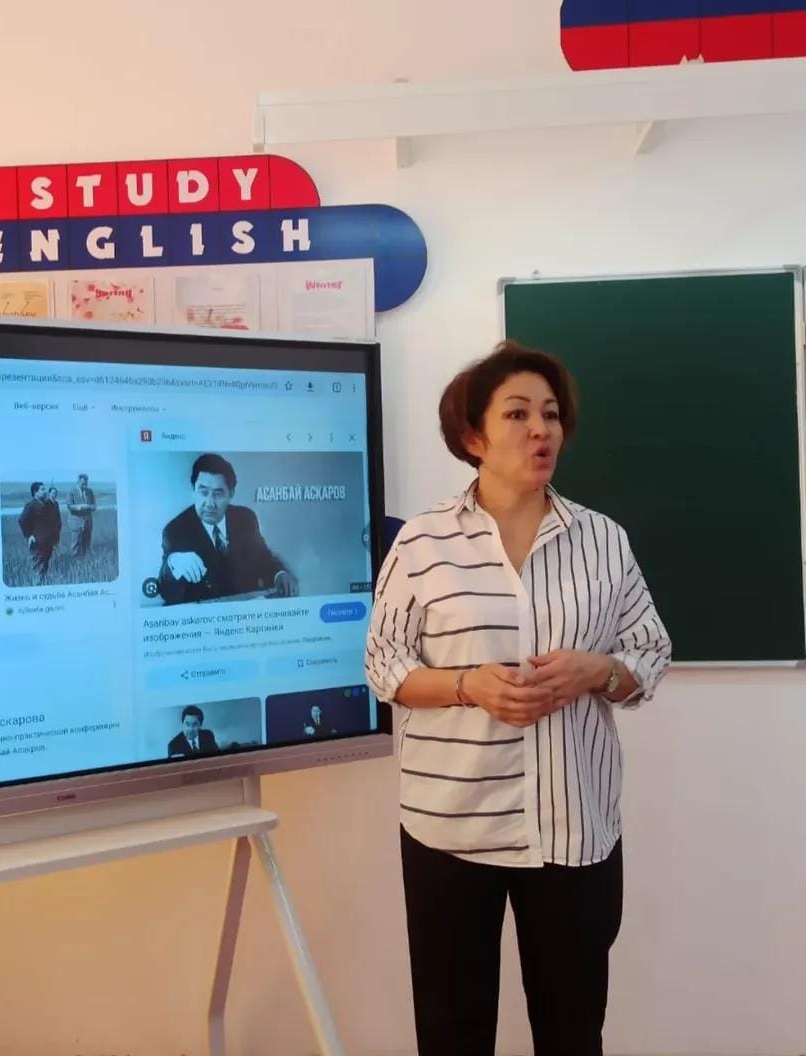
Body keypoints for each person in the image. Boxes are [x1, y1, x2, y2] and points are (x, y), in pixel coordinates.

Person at [365, 341, 672, 1056]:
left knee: (572, 1033)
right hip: (452, 830)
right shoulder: (423, 544)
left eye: (551, 415)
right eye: (518, 414)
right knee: (453, 1032)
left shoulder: (603, 540)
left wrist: (599, 671)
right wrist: (467, 684)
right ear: (472, 436)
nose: (542, 430)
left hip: (574, 828)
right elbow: (383, 665)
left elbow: (650, 654)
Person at [158, 453, 297, 605]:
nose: (209, 503)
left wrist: (279, 573)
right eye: (203, 492)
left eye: (218, 494)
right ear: (193, 489)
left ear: (231, 494)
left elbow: (264, 556)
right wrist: (173, 564)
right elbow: (166, 590)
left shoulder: (245, 518)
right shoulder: (175, 529)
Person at [17, 482, 61, 583]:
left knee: (45, 567)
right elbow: (21, 520)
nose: (45, 491)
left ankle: (42, 585)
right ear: (35, 492)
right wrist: (29, 535)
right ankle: (36, 585)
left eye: (45, 489)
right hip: (37, 543)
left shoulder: (47, 504)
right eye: (42, 489)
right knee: (38, 569)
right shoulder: (31, 505)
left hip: (47, 542)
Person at [68, 473, 96, 556]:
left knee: (87, 543)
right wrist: (80, 507)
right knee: (75, 544)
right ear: (79, 481)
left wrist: (90, 507)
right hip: (76, 522)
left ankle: (85, 560)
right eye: (83, 483)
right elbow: (69, 506)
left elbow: (94, 505)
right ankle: (75, 560)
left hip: (88, 521)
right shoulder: (71, 491)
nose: (85, 485)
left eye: (86, 483)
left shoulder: (90, 491)